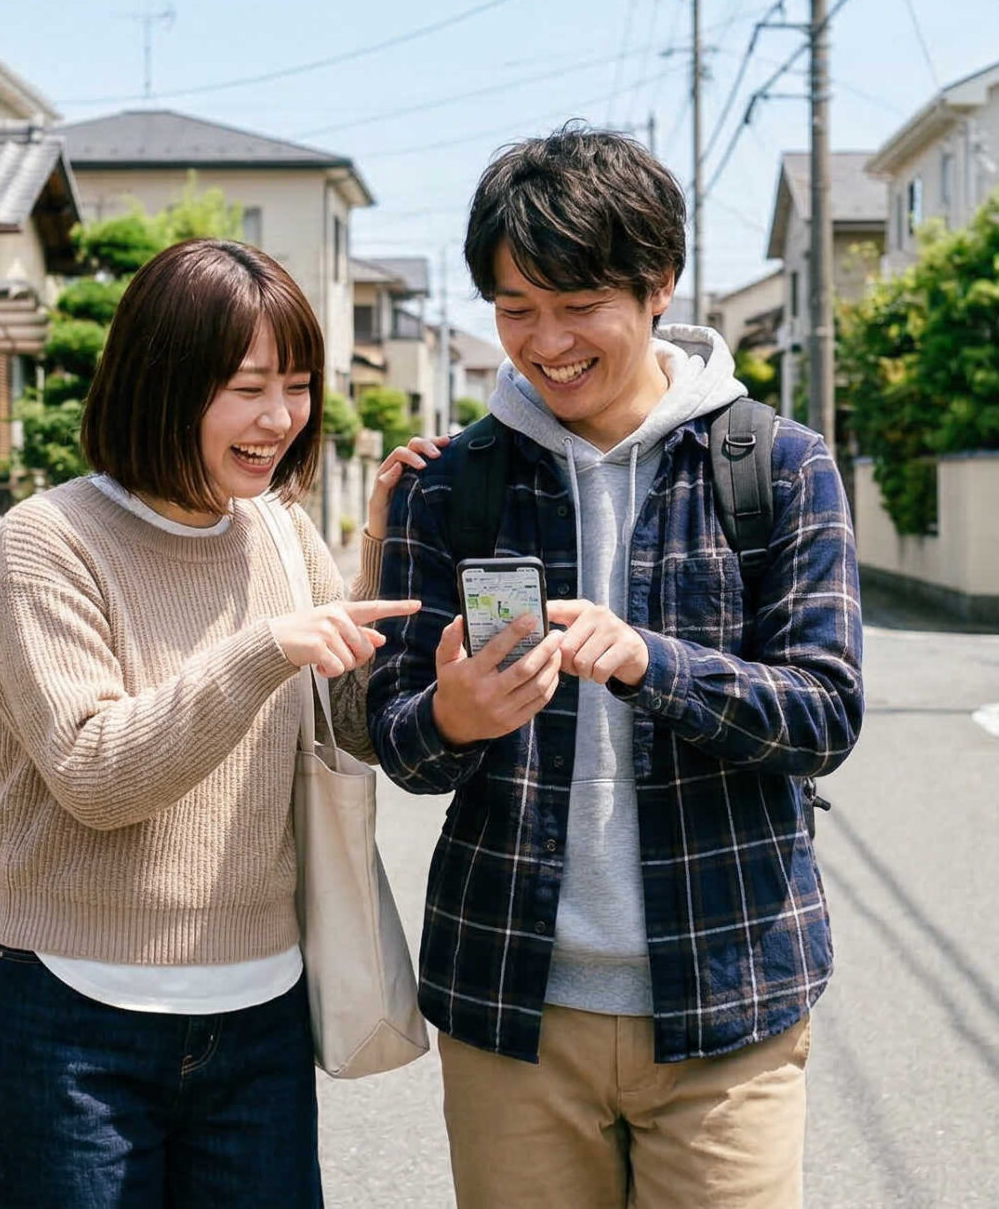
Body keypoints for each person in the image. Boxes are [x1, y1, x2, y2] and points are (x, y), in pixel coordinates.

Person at [367, 125, 864, 1208]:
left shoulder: (775, 467)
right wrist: (450, 715)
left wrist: (653, 661)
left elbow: (825, 711)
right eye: (513, 309)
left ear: (656, 287)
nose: (544, 343)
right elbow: (395, 739)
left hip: (729, 1000)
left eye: (576, 303)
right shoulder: (450, 484)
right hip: (511, 1007)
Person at [0, 237, 431, 1208]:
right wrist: (265, 647)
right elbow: (96, 774)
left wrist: (387, 545)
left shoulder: (277, 528)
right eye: (247, 386)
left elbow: (340, 729)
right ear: (162, 380)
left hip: (258, 1021)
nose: (280, 418)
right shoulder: (50, 540)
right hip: (72, 1025)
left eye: (295, 384)